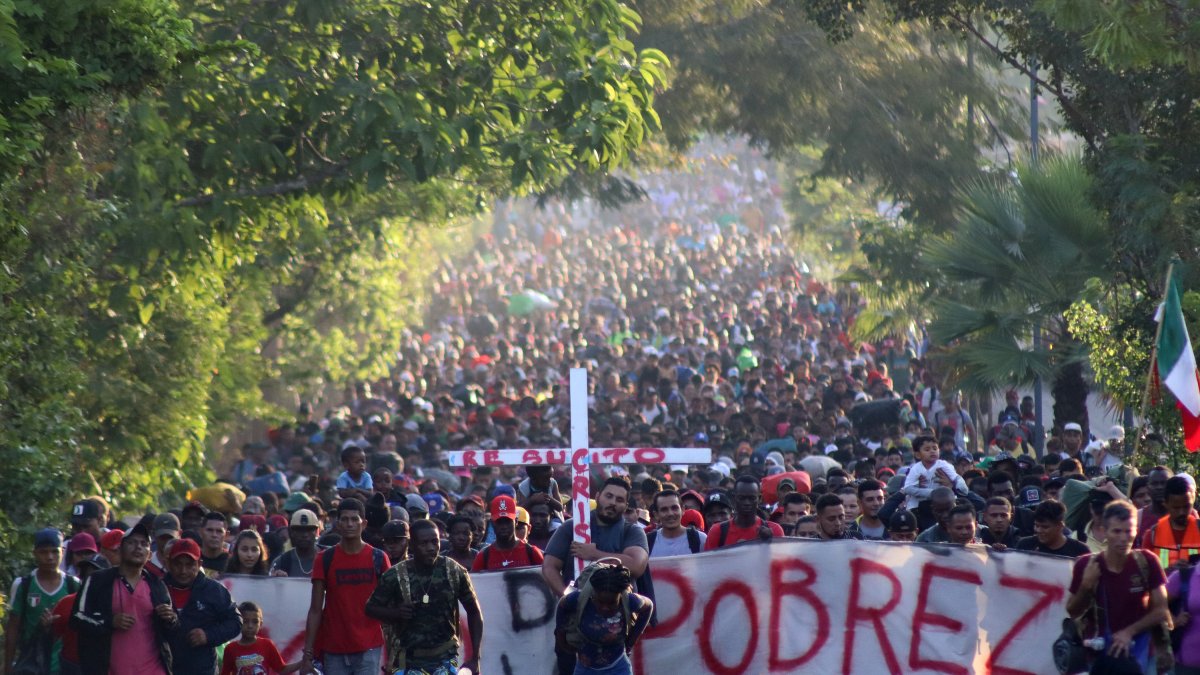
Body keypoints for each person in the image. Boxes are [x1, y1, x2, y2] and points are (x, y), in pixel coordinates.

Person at [543, 477, 650, 675]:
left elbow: (636, 565)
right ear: (598, 496)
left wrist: (595, 554)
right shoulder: (571, 528)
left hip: (615, 632)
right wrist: (570, 599)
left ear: (626, 505)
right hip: (574, 631)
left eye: (619, 500)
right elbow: (549, 567)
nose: (612, 502)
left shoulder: (632, 531)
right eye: (608, 496)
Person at [366, 519, 483, 675]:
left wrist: (475, 657)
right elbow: (370, 609)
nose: (431, 548)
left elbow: (474, 612)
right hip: (407, 661)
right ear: (412, 545)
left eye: (435, 542)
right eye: (424, 543)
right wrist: (396, 613)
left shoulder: (453, 571)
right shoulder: (395, 575)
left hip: (446, 659)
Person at [1068, 500, 1170, 673]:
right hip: (1099, 655)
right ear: (1104, 531)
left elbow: (1161, 611)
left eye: (1128, 531)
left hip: (1141, 650)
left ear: (1136, 530)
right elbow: (1072, 611)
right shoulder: (1086, 564)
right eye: (1116, 531)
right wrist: (1086, 585)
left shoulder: (1147, 561)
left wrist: (1129, 632)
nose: (1124, 538)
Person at [71, 522, 178, 675]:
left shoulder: (158, 585)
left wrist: (170, 619)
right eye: (132, 542)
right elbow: (77, 618)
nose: (138, 547)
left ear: (149, 554)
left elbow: (173, 629)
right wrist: (110, 621)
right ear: (120, 550)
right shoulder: (98, 581)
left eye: (143, 544)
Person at [301, 498, 391, 675]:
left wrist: (393, 655)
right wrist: (307, 655)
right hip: (333, 648)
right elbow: (315, 610)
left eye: (354, 519)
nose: (350, 524)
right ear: (338, 524)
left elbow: (389, 609)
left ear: (363, 523)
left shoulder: (379, 558)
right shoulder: (324, 559)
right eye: (345, 519)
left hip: (369, 647)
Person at [554, 562, 653, 675]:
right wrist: (560, 636)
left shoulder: (629, 601)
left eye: (611, 604)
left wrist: (632, 640)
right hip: (585, 669)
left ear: (620, 596)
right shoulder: (580, 598)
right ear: (593, 594)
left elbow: (648, 606)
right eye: (599, 602)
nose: (605, 608)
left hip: (618, 667)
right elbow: (562, 605)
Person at [163, 538, 242, 675]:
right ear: (169, 563)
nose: (183, 570)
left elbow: (236, 622)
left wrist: (208, 635)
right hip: (163, 668)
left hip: (203, 669)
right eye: (178, 564)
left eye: (189, 565)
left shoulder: (214, 590)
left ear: (199, 564)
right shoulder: (157, 588)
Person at [7, 528, 80, 675]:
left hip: (63, 666)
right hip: (31, 664)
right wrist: (7, 667)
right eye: (43, 552)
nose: (50, 557)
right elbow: (13, 629)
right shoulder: (23, 585)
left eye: (55, 551)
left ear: (63, 552)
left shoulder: (74, 585)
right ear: (35, 553)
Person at [49, 554, 108, 675]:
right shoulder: (66, 603)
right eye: (87, 574)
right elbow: (51, 640)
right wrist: (45, 627)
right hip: (70, 667)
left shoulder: (116, 605)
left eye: (96, 576)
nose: (90, 579)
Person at [703, 475, 784, 549]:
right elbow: (709, 563)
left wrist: (768, 543)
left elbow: (781, 562)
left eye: (751, 498)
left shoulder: (774, 530)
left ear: (759, 499)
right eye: (742, 498)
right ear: (734, 498)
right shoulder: (717, 532)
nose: (747, 503)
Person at [221, 601, 302, 675]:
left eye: (255, 622)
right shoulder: (230, 649)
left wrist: (303, 662)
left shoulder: (267, 645)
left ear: (261, 624)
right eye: (245, 621)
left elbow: (282, 669)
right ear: (239, 622)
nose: (250, 626)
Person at [1142, 475, 1200, 572]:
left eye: (1186, 507)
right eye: (1176, 508)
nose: (1182, 512)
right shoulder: (1152, 535)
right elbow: (1144, 573)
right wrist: (1169, 571)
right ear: (1166, 505)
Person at [473, 495, 545, 571]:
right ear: (492, 523)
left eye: (508, 521)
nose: (504, 526)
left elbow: (546, 578)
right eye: (499, 522)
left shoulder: (532, 553)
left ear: (516, 522)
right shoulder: (483, 556)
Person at [902, 435, 967, 510]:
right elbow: (908, 488)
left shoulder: (944, 465)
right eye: (927, 449)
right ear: (918, 455)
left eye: (935, 448)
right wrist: (931, 493)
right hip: (919, 505)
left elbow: (956, 478)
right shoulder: (915, 468)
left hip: (943, 502)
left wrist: (960, 485)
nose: (932, 451)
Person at [1015, 501, 1089, 558]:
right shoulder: (1025, 545)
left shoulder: (1080, 551)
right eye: (1036, 525)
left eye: (1045, 527)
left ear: (1060, 526)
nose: (1039, 530)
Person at [648, 490, 706, 557]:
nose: (670, 513)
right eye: (664, 509)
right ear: (656, 514)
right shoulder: (648, 542)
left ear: (683, 510)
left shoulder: (700, 539)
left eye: (674, 508)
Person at [270, 509, 324, 577]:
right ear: (292, 532)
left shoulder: (329, 558)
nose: (305, 535)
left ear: (316, 532)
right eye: (299, 530)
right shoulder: (281, 562)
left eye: (309, 529)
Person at [200, 512, 231, 576]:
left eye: (219, 531)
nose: (214, 535)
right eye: (210, 530)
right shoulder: (193, 559)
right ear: (201, 532)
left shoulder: (232, 563)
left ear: (226, 535)